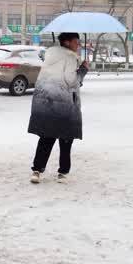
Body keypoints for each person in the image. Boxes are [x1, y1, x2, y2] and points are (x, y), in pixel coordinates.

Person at [27, 32, 86, 184]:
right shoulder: (70, 57)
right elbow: (71, 81)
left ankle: (37, 170)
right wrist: (83, 70)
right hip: (63, 101)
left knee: (46, 136)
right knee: (66, 137)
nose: (78, 45)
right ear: (67, 42)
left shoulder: (50, 55)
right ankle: (63, 173)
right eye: (76, 42)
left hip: (45, 100)